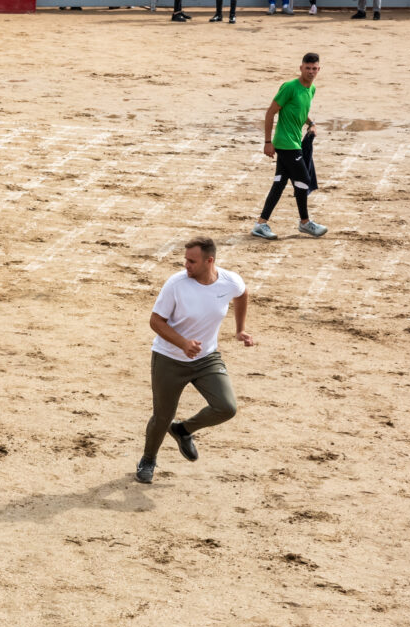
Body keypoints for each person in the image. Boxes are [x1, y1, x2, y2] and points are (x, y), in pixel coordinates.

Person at [135, 237, 253, 484]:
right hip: (169, 358)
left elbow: (242, 295)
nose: (185, 265)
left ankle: (183, 430)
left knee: (226, 407)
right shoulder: (176, 284)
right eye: (185, 259)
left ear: (209, 261)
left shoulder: (230, 281)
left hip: (206, 358)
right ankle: (148, 458)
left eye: (192, 261)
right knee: (162, 416)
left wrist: (240, 329)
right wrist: (183, 343)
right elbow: (155, 321)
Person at [252, 52, 327, 240]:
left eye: (314, 68)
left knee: (279, 183)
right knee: (302, 180)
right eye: (307, 68)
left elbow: (301, 110)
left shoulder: (312, 89)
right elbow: (270, 113)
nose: (310, 71)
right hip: (286, 143)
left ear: (318, 69)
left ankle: (261, 224)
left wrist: (311, 123)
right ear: (301, 68)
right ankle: (304, 223)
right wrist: (268, 142)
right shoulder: (290, 88)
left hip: (294, 142)